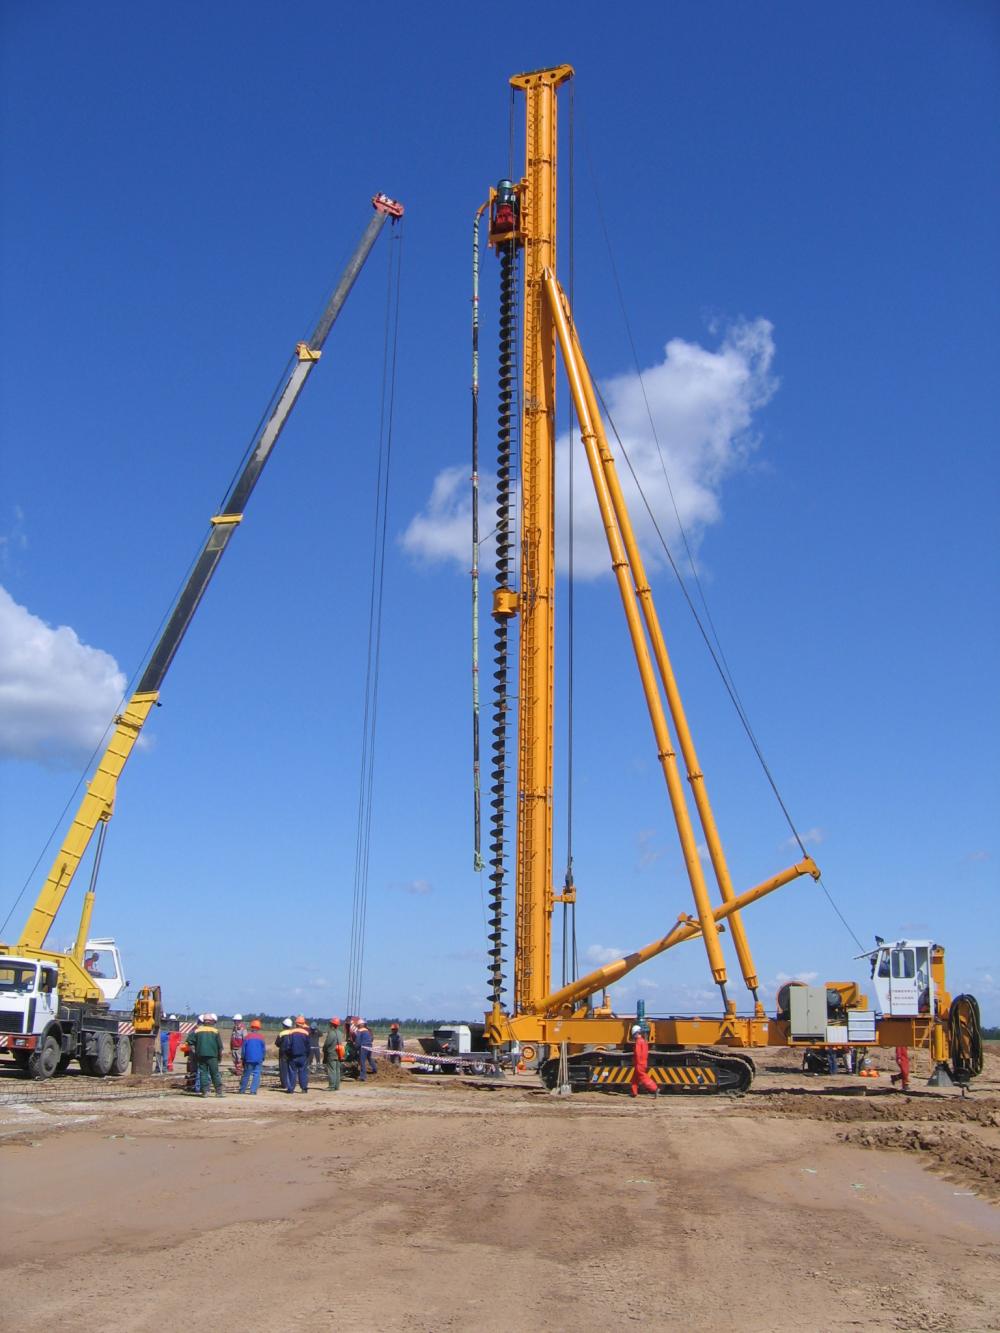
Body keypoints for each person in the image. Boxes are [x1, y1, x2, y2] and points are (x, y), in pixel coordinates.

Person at [193, 1013, 224, 1097]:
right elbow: (220, 1047)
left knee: (203, 1073)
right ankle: (219, 1092)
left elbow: (190, 1042)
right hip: (213, 1056)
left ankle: (205, 1092)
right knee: (215, 1073)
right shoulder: (215, 1031)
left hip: (201, 1055)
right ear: (211, 1021)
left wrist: (195, 1052)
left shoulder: (197, 1030)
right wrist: (220, 1057)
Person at [629, 1024, 658, 1098]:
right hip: (643, 1062)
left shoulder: (638, 1042)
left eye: (633, 1035)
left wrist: (636, 1062)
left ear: (635, 1033)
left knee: (643, 1077)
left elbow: (638, 1054)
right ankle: (633, 1092)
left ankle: (655, 1088)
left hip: (639, 1063)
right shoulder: (644, 1041)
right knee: (634, 1078)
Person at [239, 1019, 266, 1094]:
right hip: (258, 1059)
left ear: (251, 1027)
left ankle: (242, 1090)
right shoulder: (261, 1037)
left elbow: (243, 1049)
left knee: (246, 1074)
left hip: (248, 1059)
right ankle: (253, 1091)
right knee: (256, 1074)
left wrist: (242, 1058)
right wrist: (263, 1057)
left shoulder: (247, 1037)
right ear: (259, 1028)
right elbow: (263, 1049)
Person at [285, 1016, 311, 1093]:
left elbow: (288, 1045)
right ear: (303, 1024)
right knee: (303, 1072)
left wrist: (288, 1054)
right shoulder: (306, 1033)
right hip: (303, 1056)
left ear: (296, 1023)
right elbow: (308, 1046)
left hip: (293, 1056)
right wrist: (307, 1055)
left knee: (292, 1072)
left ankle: (291, 1089)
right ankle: (304, 1088)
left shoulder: (291, 1032)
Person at [323, 1018, 345, 1091]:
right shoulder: (340, 1033)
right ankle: (337, 1086)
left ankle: (331, 1086)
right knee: (337, 1070)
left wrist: (324, 1050)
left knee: (332, 1070)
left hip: (332, 1054)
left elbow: (327, 1044)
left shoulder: (331, 1033)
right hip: (339, 1054)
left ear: (332, 1024)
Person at [275, 1017, 293, 1091]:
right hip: (291, 1053)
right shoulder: (293, 1033)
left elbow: (277, 1043)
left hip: (283, 1053)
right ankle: (291, 1083)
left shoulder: (281, 1033)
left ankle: (284, 1084)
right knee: (291, 1069)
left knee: (283, 1069)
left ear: (284, 1025)